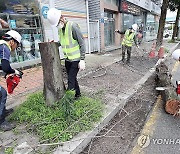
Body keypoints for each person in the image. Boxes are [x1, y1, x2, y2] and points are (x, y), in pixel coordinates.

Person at [47, 8, 85, 99]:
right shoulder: (60, 29)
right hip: (68, 59)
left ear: (62, 18)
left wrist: (82, 59)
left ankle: (68, 101)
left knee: (70, 80)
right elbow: (63, 42)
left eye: (57, 23)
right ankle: (78, 95)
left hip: (76, 59)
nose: (57, 26)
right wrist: (55, 44)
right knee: (72, 78)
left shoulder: (73, 26)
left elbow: (82, 42)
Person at [0, 30, 22, 131]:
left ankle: (2, 111)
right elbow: (5, 67)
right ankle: (2, 122)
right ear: (12, 41)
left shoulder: (1, 44)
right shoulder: (5, 47)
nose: (16, 48)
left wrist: (8, 71)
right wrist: (15, 71)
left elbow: (3, 66)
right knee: (2, 93)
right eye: (17, 44)